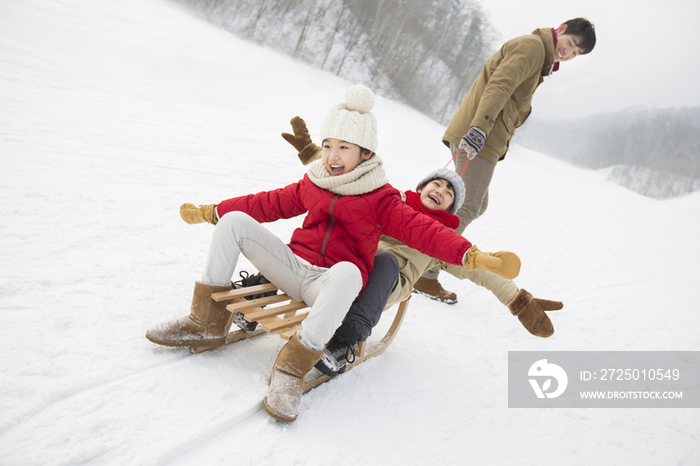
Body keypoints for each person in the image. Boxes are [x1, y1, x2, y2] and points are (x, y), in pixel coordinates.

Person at [145, 84, 521, 423]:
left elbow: (425, 231)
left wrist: (471, 256)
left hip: (327, 284)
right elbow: (269, 203)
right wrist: (214, 211)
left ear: (365, 152)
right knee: (236, 222)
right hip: (293, 266)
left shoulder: (383, 198)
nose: (332, 155)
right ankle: (206, 322)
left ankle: (292, 368)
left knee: (351, 273)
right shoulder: (315, 180)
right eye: (328, 145)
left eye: (343, 147)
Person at [282, 119, 564, 376]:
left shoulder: (441, 240)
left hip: (383, 283)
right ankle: (269, 283)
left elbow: (478, 271)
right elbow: (347, 183)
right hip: (351, 262)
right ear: (420, 189)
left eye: (449, 193)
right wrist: (310, 152)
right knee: (328, 234)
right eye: (437, 184)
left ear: (450, 208)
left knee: (388, 261)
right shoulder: (392, 204)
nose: (441, 190)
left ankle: (344, 341)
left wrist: (520, 301)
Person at [413, 17, 597, 303]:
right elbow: (499, 86)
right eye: (570, 44)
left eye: (575, 54)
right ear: (560, 30)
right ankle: (422, 271)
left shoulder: (540, 57)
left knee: (476, 204)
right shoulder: (533, 48)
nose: (568, 54)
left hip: (485, 138)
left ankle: (422, 253)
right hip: (480, 136)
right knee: (468, 205)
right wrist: (479, 129)